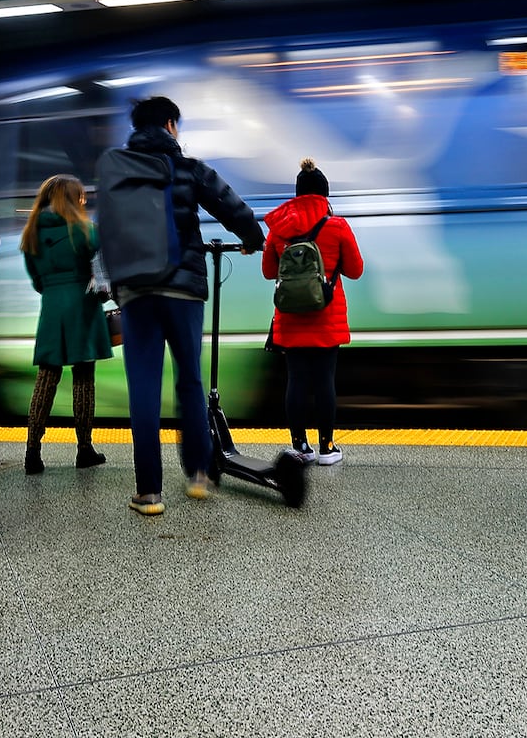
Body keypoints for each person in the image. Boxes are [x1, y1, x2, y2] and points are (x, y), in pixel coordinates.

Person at [101, 96, 265, 516]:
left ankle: (149, 493)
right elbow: (235, 210)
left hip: (137, 293)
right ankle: (197, 475)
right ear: (171, 125)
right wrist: (252, 241)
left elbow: (108, 234)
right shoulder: (188, 168)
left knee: (143, 390)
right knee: (189, 381)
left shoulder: (119, 172)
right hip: (184, 289)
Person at [261, 158, 365, 465]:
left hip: (291, 316)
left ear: (297, 194)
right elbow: (356, 270)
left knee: (296, 380)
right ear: (325, 195)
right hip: (326, 316)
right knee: (324, 382)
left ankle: (299, 447)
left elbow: (269, 272)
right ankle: (327, 448)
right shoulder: (337, 226)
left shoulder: (279, 229)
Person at [20, 174, 112, 474]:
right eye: (81, 196)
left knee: (46, 379)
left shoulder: (31, 234)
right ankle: (84, 449)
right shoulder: (87, 232)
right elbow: (103, 280)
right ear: (73, 199)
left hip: (51, 309)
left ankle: (32, 452)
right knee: (84, 378)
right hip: (82, 309)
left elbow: (36, 281)